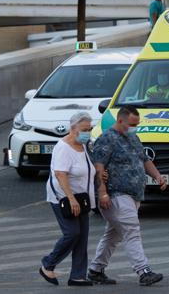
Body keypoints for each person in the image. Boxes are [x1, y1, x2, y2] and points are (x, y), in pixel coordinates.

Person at [87, 105, 168, 286]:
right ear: (120, 120)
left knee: (113, 234)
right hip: (116, 194)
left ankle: (95, 270)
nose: (134, 127)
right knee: (131, 230)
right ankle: (143, 271)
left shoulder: (133, 137)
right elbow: (98, 168)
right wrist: (103, 194)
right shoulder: (107, 139)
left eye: (137, 124)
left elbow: (144, 160)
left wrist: (157, 176)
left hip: (134, 195)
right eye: (131, 124)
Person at [39, 112, 96, 287]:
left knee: (82, 237)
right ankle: (48, 263)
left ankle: (78, 275)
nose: (88, 132)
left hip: (82, 199)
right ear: (73, 129)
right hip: (64, 198)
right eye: (84, 129)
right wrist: (71, 199)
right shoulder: (63, 148)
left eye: (90, 129)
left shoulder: (83, 145)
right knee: (72, 233)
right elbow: (60, 174)